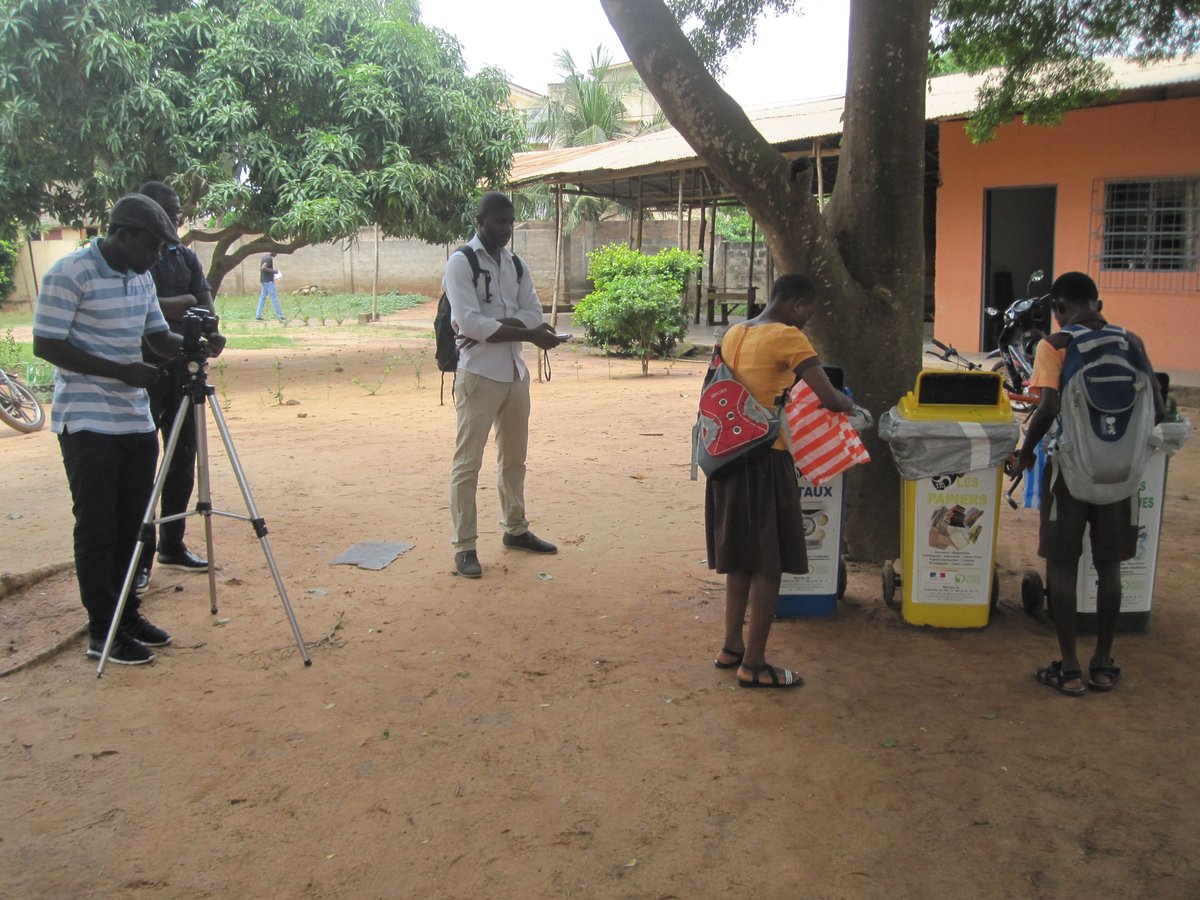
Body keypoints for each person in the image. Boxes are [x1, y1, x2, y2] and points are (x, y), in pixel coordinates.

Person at [33, 195, 219, 665]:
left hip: (134, 419)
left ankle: (127, 615)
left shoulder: (140, 281)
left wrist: (196, 343)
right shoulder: (69, 274)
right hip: (87, 421)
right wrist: (119, 370)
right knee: (98, 527)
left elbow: (158, 337)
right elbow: (46, 344)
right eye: (153, 245)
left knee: (134, 524)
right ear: (122, 234)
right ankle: (103, 630)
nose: (158, 255)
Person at [1007, 271, 1163, 697]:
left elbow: (1047, 408)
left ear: (1057, 311)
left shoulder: (1055, 345)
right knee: (1109, 567)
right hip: (1120, 474)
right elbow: (1158, 404)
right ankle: (1103, 663)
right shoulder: (1131, 341)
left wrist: (1024, 454)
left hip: (1070, 472)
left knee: (1062, 564)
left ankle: (1070, 668)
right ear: (1099, 303)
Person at [707, 273, 853, 688]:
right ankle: (754, 665)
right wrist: (849, 403)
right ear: (797, 303)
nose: (808, 320)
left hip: (728, 457)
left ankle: (730, 646)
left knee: (740, 557)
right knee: (768, 564)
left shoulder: (735, 332)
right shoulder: (789, 338)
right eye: (809, 310)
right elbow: (829, 396)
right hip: (765, 460)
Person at [445, 191, 567, 578]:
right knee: (468, 464)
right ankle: (465, 547)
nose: (507, 229)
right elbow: (469, 323)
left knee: (514, 460)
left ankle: (515, 529)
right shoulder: (460, 262)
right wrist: (523, 330)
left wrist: (505, 326)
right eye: (500, 222)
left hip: (514, 374)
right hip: (478, 376)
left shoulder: (516, 265)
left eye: (511, 222)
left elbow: (532, 311)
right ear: (480, 220)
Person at [129, 182, 221, 591]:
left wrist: (210, 327)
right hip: (145, 369)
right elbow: (142, 305)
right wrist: (184, 302)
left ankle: (172, 544)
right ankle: (140, 557)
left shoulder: (185, 256)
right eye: (169, 210)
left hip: (185, 367)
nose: (177, 216)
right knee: (145, 462)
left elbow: (203, 298)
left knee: (184, 455)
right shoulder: (136, 257)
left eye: (179, 210)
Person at [256, 253, 283, 322]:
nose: (276, 254)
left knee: (262, 297)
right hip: (268, 281)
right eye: (276, 252)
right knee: (274, 298)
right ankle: (280, 315)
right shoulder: (269, 258)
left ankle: (258, 315)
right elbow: (263, 268)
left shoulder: (264, 257)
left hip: (264, 280)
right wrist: (275, 271)